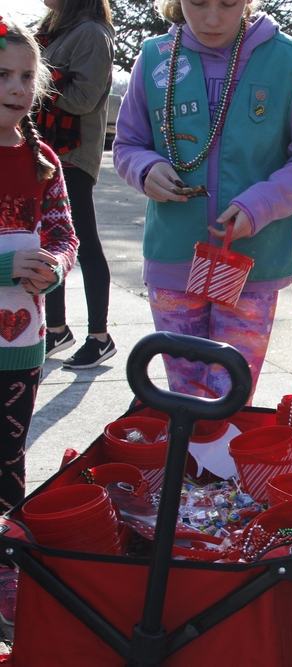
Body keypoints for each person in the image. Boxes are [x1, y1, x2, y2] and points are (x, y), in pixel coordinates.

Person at [113, 0, 292, 401]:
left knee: (231, 399)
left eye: (228, 3)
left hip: (251, 263)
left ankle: (219, 466)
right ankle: (192, 466)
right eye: (197, 3)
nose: (211, 18)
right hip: (174, 258)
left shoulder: (290, 62)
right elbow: (127, 143)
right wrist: (145, 168)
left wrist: (261, 204)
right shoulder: (153, 60)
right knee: (185, 397)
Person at [0, 14, 79, 634]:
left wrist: (53, 265)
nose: (18, 86)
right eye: (3, 74)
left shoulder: (43, 157)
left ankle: (5, 562)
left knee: (7, 455)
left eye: (28, 74)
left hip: (21, 345)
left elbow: (63, 234)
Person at [32, 0, 114, 370]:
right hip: (45, 150)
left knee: (84, 243)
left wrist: (34, 80)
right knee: (47, 240)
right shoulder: (55, 27)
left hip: (73, 154)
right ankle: (56, 329)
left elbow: (83, 98)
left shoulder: (92, 33)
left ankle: (99, 336)